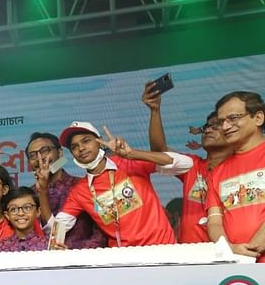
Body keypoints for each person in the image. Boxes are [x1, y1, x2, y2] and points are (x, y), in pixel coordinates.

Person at [45, 121, 192, 247]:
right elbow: (57, 229)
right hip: (124, 260)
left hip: (162, 249)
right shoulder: (80, 191)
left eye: (86, 141)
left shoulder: (130, 163)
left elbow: (186, 164)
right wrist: (41, 190)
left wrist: (133, 154)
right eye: (74, 147)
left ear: (100, 141)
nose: (81, 148)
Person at [142, 84, 232, 243]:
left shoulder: (241, 169)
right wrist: (155, 111)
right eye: (207, 126)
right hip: (191, 255)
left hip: (229, 250)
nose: (209, 130)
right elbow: (159, 151)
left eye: (216, 126)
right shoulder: (192, 165)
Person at [206, 91, 265, 262]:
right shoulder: (217, 172)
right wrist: (229, 249)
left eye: (233, 118)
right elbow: (215, 222)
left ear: (258, 118)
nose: (225, 127)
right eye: (221, 122)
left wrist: (253, 249)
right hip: (238, 267)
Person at [25, 132, 107, 248]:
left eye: (45, 151)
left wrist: (77, 256)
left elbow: (102, 230)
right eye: (33, 155)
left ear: (60, 152)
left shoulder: (85, 185)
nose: (40, 158)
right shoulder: (27, 196)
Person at [0, 187, 48, 252]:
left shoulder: (48, 245)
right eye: (13, 209)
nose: (21, 213)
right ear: (7, 215)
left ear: (38, 211)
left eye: (27, 208)